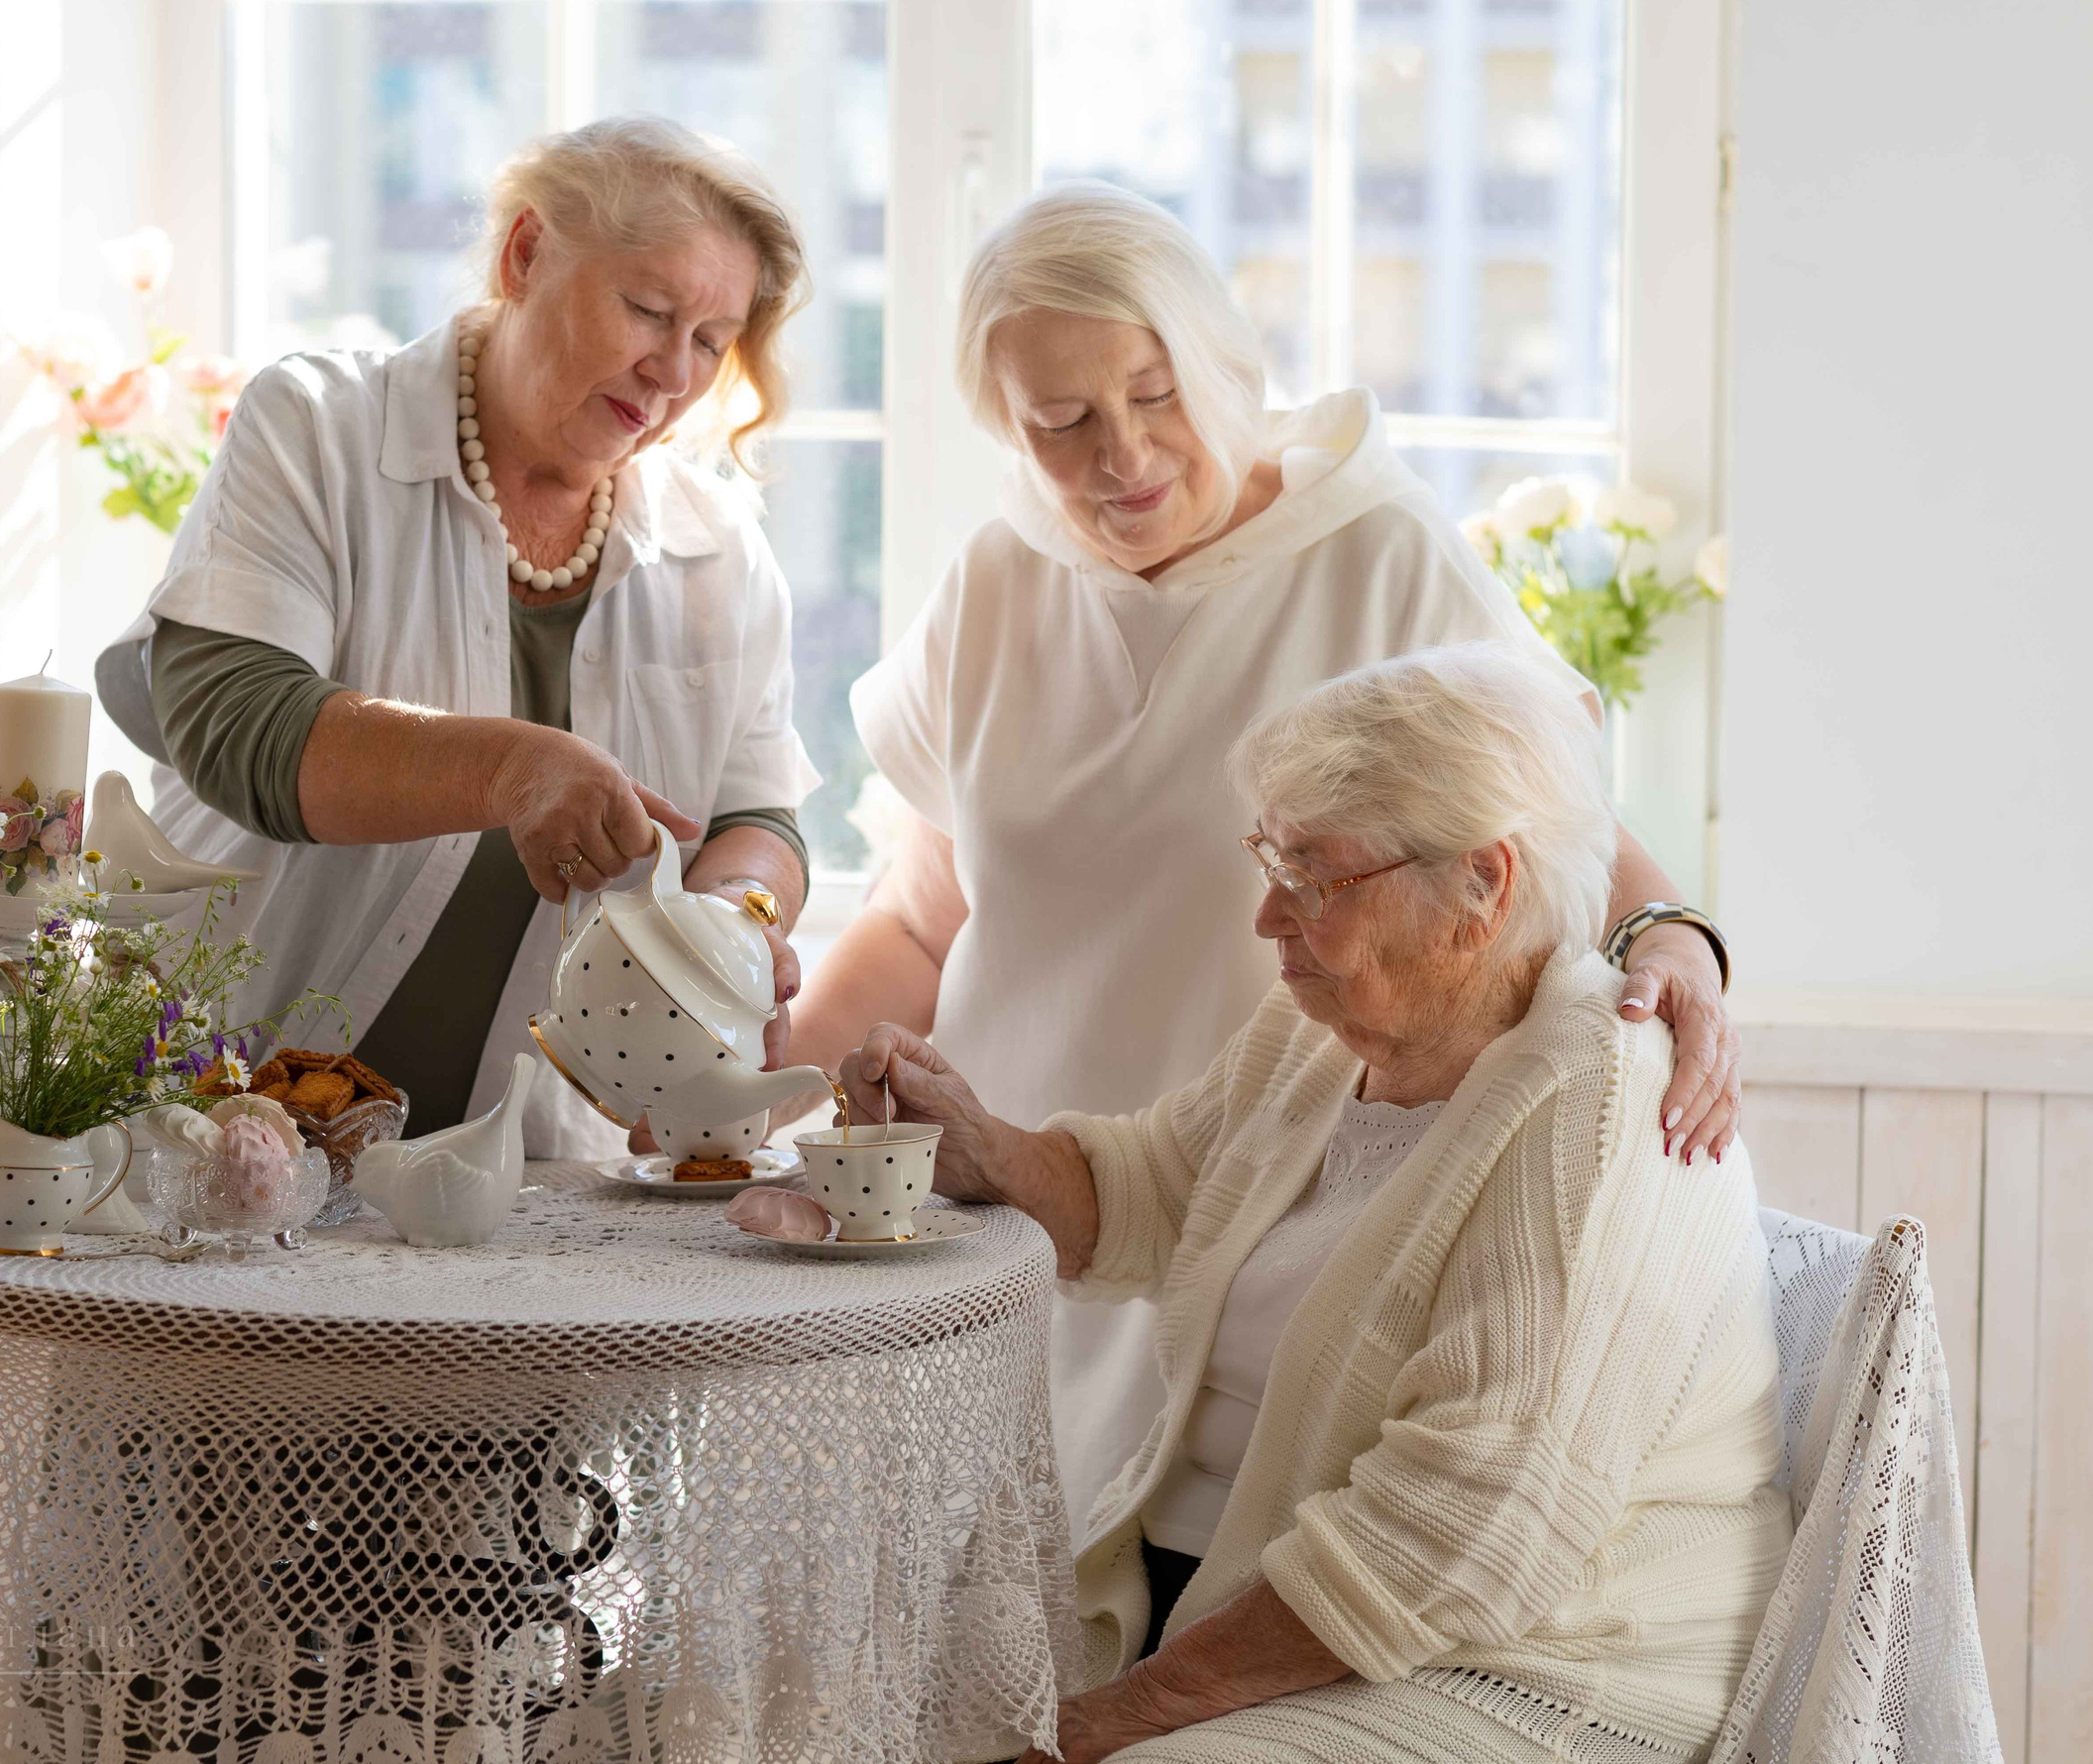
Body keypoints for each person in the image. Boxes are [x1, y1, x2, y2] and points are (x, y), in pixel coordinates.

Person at [792, 183, 1739, 1530]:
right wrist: (756, 1094)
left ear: (1220, 359)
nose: (1122, 453)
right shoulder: (1001, 580)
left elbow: (1567, 835)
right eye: (1060, 424)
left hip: (1228, 1222)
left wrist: (1680, 947)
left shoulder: (1375, 557)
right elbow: (930, 914)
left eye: (1154, 392)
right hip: (997, 1204)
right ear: (1009, 428)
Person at [841, 645, 1786, 1764]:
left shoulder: (1599, 1098)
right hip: (1258, 1619)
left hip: (1525, 1668)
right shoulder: (1319, 1037)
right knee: (867, 1687)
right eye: (1270, 860)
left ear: (1480, 887)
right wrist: (981, 1149)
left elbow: (1464, 1531)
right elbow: (1145, 1195)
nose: (1266, 920)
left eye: (1312, 877)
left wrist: (1117, 1717)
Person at [96, 118, 819, 1156]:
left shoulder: (722, 553)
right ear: (525, 255)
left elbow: (758, 815)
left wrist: (732, 922)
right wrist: (513, 771)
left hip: (529, 1181)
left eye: (711, 340)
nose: (672, 371)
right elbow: (233, 723)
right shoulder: (316, 429)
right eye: (648, 310)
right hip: (224, 1133)